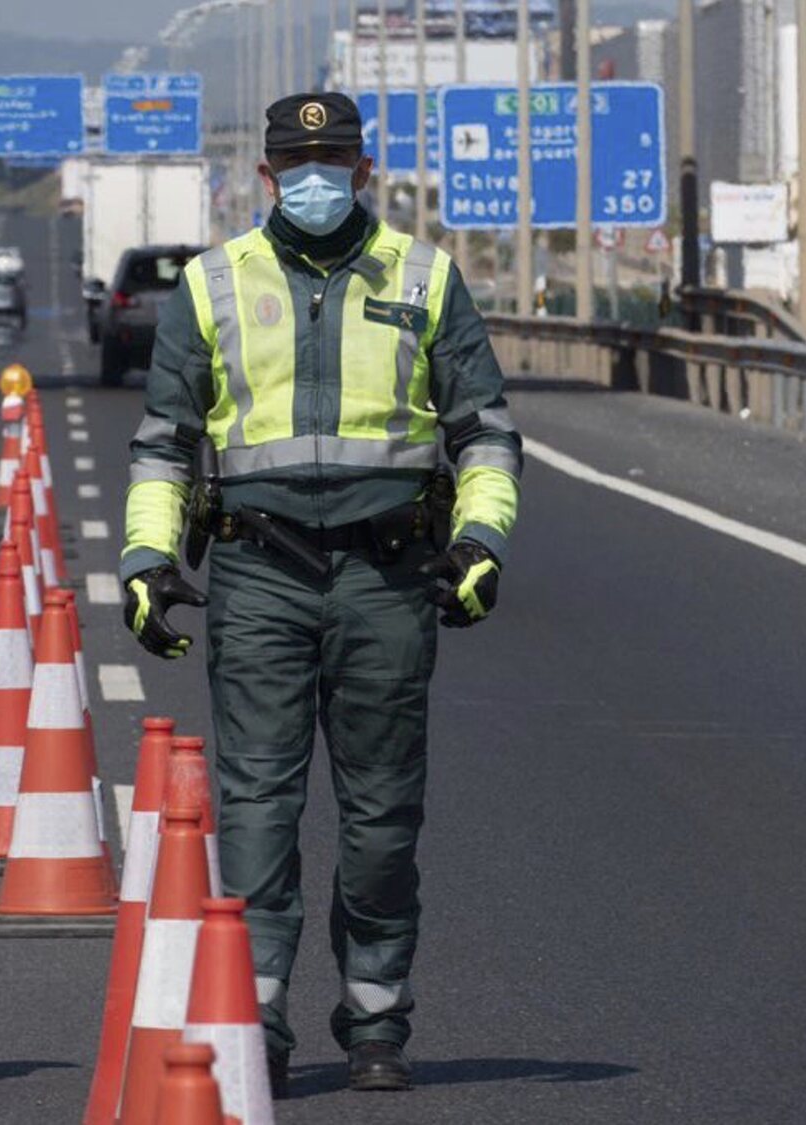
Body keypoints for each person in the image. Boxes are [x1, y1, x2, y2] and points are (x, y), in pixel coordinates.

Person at [119, 91, 522, 1094]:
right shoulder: (212, 285)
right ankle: (254, 1018)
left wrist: (480, 540)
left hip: (387, 576)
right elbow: (166, 443)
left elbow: (485, 434)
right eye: (298, 164)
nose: (315, 179)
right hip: (260, 572)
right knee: (258, 807)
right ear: (264, 177)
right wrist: (146, 559)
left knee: (383, 813)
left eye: (335, 159)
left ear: (364, 171)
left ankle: (378, 1016)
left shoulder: (425, 278)